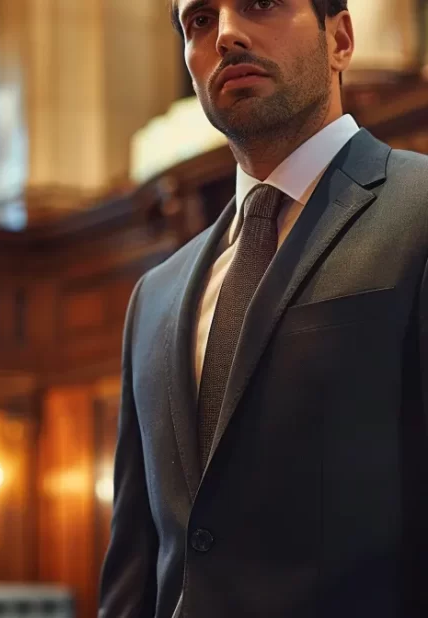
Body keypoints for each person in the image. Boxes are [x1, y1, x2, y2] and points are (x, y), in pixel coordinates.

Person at [99, 1, 428, 616]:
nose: (224, 33)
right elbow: (136, 561)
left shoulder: (419, 211)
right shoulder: (155, 297)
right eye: (198, 20)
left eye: (260, 3)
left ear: (341, 38)